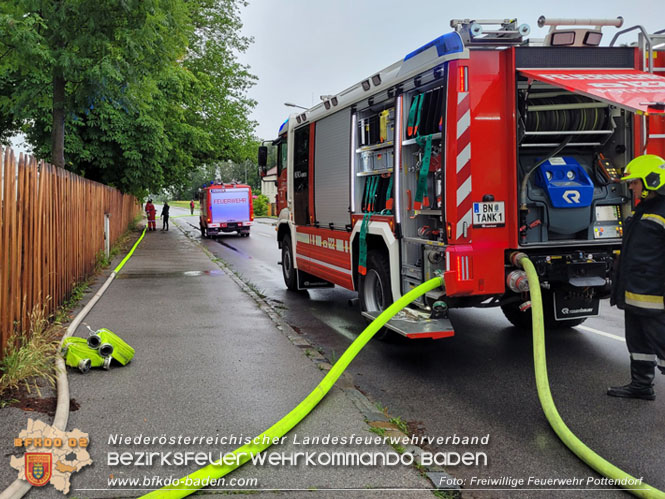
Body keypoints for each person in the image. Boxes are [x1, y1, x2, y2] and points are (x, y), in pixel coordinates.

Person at [608, 154, 665, 401]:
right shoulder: (643, 209)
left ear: (652, 180)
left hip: (655, 296)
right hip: (634, 292)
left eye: (634, 182)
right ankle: (641, 385)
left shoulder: (662, 212)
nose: (631, 186)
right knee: (638, 343)